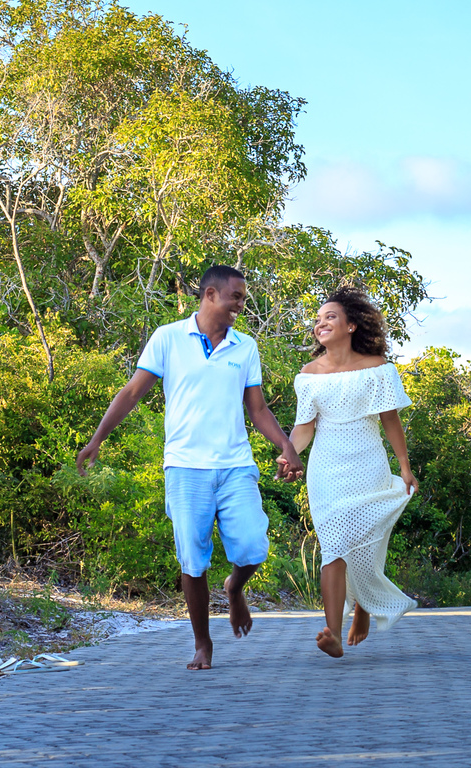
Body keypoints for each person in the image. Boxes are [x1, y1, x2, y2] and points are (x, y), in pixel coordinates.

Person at [76, 265, 303, 670]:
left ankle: (235, 588)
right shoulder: (168, 338)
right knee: (192, 560)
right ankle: (203, 643)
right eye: (237, 296)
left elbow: (258, 408)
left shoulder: (244, 347)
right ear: (211, 294)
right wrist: (97, 439)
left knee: (253, 544)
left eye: (243, 298)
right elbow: (132, 392)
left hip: (235, 465)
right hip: (185, 467)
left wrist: (286, 443)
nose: (241, 304)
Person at [278, 286, 418, 658]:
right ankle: (334, 633)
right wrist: (289, 454)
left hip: (367, 463)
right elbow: (305, 426)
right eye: (318, 319)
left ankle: (363, 609)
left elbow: (390, 419)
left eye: (331, 317)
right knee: (335, 546)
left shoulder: (377, 369)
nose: (321, 323)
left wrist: (404, 467)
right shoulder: (308, 375)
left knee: (361, 541)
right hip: (325, 470)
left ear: (352, 325)